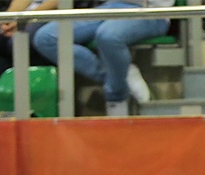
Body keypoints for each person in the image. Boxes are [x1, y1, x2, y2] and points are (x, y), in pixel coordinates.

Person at [30, 1, 172, 117]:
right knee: (46, 38)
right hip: (111, 6)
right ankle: (122, 73)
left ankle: (116, 96)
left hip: (151, 11)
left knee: (108, 37)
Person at [0, 0, 59, 85]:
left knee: (17, 43)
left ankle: (35, 90)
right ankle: (11, 89)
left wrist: (24, 19)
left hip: (50, 14)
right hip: (22, 16)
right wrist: (9, 17)